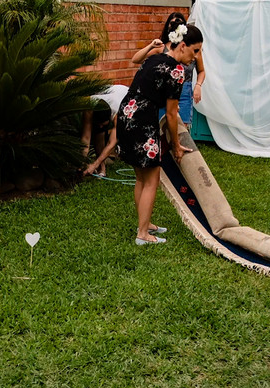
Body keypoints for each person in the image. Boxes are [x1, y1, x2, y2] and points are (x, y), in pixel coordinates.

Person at [117, 23, 203, 245]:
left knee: (140, 177)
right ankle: (143, 234)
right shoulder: (176, 71)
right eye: (195, 50)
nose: (196, 57)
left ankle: (144, 223)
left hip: (127, 113)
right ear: (182, 45)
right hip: (143, 121)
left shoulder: (156, 57)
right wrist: (175, 144)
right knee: (152, 179)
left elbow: (137, 63)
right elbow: (173, 114)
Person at [132, 13, 206, 130]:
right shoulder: (162, 47)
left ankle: (178, 146)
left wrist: (198, 85)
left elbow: (201, 71)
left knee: (182, 128)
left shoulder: (193, 49)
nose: (175, 25)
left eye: (180, 22)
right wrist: (151, 45)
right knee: (163, 126)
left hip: (184, 90)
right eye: (172, 23)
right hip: (165, 91)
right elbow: (136, 59)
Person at [81, 85, 128, 176]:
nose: (101, 126)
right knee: (99, 132)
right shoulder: (89, 108)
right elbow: (86, 137)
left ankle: (101, 168)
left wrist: (94, 164)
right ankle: (101, 168)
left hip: (125, 96)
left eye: (104, 124)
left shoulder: (119, 114)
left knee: (111, 135)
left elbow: (112, 143)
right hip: (111, 94)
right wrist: (82, 161)